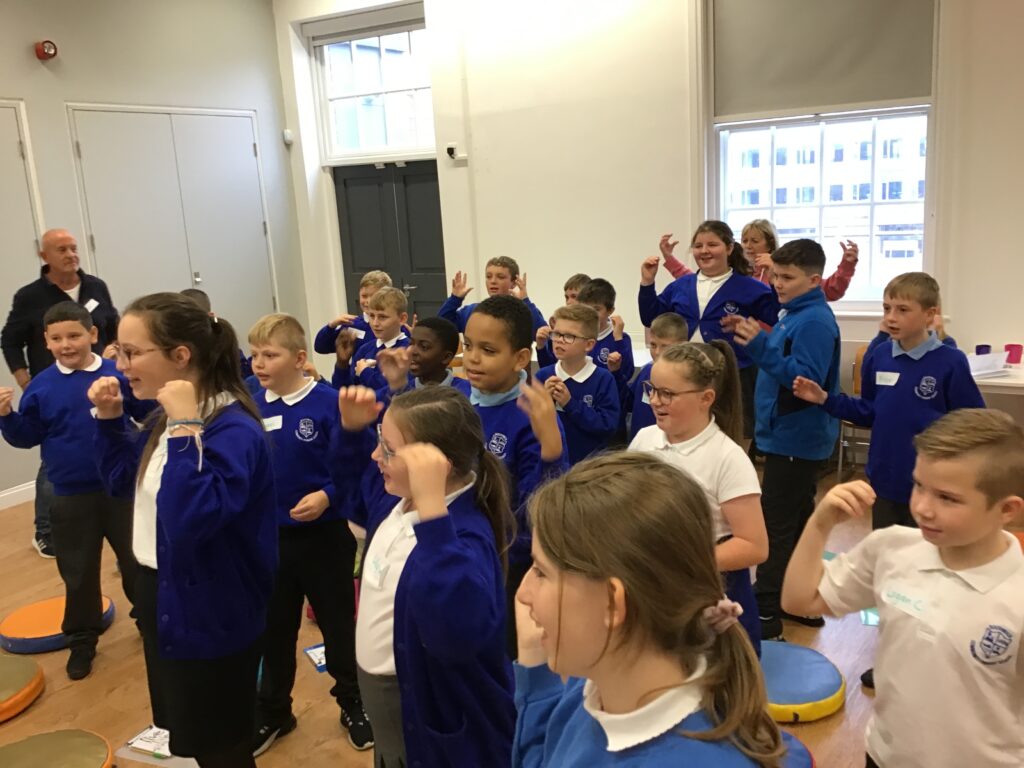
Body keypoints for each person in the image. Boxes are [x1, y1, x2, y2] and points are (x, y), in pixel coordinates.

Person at [514, 452, 812, 767]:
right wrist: (535, 664)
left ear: (612, 603)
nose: (522, 593)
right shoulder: (593, 685)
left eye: (541, 572)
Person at [89, 292, 276, 768]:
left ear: (181, 356)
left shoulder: (231, 430)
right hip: (164, 593)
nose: (120, 365)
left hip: (212, 608)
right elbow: (122, 483)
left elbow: (191, 520)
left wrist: (185, 426)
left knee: (222, 746)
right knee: (193, 732)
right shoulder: (165, 421)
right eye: (118, 352)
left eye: (132, 353)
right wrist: (109, 421)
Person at [781, 409, 1024, 768]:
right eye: (919, 485)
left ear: (1007, 510)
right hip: (885, 755)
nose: (923, 508)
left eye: (947, 498)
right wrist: (820, 523)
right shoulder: (892, 547)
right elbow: (801, 600)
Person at [336, 385, 516, 768]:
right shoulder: (394, 499)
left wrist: (433, 513)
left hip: (417, 705)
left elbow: (455, 635)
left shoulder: (466, 535)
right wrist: (351, 433)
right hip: (381, 692)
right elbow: (352, 490)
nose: (376, 455)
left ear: (435, 466)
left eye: (388, 449)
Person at [246, 314, 371, 755]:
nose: (259, 363)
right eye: (255, 354)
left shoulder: (328, 403)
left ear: (300, 359)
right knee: (274, 629)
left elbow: (357, 466)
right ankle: (274, 710)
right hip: (270, 540)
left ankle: (354, 702)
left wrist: (327, 496)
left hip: (324, 537)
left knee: (338, 625)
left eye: (270, 354)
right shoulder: (249, 405)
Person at [0, 301, 145, 680]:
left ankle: (150, 622)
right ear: (46, 342)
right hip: (68, 494)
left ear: (92, 334)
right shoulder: (41, 386)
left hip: (121, 490)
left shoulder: (117, 374)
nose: (66, 344)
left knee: (137, 562)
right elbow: (27, 436)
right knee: (78, 571)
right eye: (57, 338)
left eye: (74, 335)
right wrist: (7, 417)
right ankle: (82, 638)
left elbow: (144, 413)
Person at [731, 239, 841, 641]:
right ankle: (796, 602)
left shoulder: (812, 321)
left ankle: (766, 610)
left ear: (814, 280)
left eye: (787, 277)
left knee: (776, 526)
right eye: (775, 275)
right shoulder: (793, 314)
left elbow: (803, 381)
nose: (777, 283)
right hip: (788, 436)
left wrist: (759, 346)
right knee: (794, 521)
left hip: (795, 437)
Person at [629, 342, 768, 654]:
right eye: (652, 389)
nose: (655, 400)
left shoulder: (727, 458)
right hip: (656, 590)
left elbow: (754, 545)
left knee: (713, 677)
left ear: (706, 398)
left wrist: (683, 562)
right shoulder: (644, 439)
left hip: (712, 594)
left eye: (668, 393)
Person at [1, 228, 120, 558]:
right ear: (44, 257)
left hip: (98, 379)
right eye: (62, 249)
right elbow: (10, 340)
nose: (70, 255)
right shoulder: (30, 296)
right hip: (55, 386)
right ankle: (45, 531)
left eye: (73, 248)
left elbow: (112, 324)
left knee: (104, 442)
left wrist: (116, 357)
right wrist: (24, 379)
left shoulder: (95, 286)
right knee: (55, 463)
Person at [462, 295, 568, 652]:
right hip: (465, 556)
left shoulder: (532, 415)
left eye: (488, 350)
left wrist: (551, 451)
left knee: (503, 655)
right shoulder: (461, 401)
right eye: (468, 346)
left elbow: (540, 509)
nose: (472, 358)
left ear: (521, 358)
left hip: (507, 566)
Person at [639, 221, 779, 444]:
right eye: (698, 246)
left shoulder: (749, 287)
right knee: (688, 433)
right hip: (686, 376)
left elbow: (777, 317)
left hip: (736, 374)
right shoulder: (681, 285)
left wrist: (774, 280)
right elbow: (650, 317)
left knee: (734, 435)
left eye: (712, 245)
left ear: (729, 248)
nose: (704, 251)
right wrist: (647, 283)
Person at [659, 220, 860, 302]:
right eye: (744, 240)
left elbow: (831, 291)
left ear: (770, 243)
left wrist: (847, 266)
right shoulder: (739, 269)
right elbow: (699, 281)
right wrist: (670, 259)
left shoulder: (786, 271)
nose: (748, 246)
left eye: (755, 241)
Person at [535, 304, 621, 465]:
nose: (559, 340)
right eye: (556, 334)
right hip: (549, 466)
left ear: (588, 345)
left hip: (589, 467)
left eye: (569, 336)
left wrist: (570, 404)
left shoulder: (603, 379)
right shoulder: (543, 376)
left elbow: (607, 426)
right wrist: (544, 402)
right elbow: (528, 424)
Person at [373, 316, 471, 403]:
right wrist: (397, 386)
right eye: (411, 344)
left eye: (424, 347)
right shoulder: (400, 388)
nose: (412, 351)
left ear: (446, 357)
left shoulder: (466, 394)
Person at [624, 312, 689, 441]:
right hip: (639, 444)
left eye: (665, 346)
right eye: (653, 345)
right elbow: (627, 402)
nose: (657, 352)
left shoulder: (687, 381)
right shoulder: (646, 371)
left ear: (683, 345)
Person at [439, 256, 547, 333]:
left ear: (514, 283)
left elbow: (542, 334)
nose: (493, 281)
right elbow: (441, 328)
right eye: (488, 276)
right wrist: (455, 299)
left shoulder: (522, 312)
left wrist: (525, 300)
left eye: (500, 277)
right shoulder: (473, 311)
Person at [333, 287, 410, 390]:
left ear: (402, 319)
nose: (375, 323)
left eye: (382, 317)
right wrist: (342, 364)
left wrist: (365, 372)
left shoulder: (408, 351)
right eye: (371, 316)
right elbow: (345, 391)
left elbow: (395, 391)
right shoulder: (365, 349)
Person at [313, 270, 394, 355]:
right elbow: (320, 347)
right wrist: (331, 326)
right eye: (364, 296)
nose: (368, 301)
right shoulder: (352, 324)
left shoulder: (396, 326)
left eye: (374, 296)